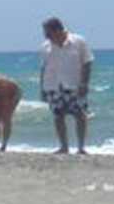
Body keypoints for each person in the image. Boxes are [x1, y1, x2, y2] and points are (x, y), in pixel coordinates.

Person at [38, 17, 93, 156]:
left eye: (48, 33)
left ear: (58, 30)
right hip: (53, 85)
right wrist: (42, 88)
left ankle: (81, 147)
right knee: (58, 116)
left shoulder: (78, 41)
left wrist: (84, 83)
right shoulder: (45, 47)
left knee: (80, 115)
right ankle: (64, 147)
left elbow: (87, 63)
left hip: (74, 84)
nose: (46, 36)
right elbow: (43, 68)